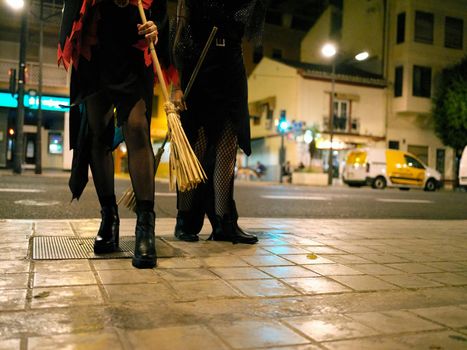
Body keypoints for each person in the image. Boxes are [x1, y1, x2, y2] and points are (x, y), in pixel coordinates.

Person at [58, 0, 173, 268]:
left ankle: (145, 225)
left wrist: (157, 26)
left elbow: (162, 10)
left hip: (133, 47)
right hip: (95, 43)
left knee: (137, 127)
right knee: (99, 131)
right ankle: (109, 217)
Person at [171, 0, 268, 244]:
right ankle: (185, 219)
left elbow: (250, 26)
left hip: (231, 66)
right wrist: (177, 84)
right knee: (195, 148)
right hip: (199, 64)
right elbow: (179, 33)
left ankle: (224, 221)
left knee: (227, 148)